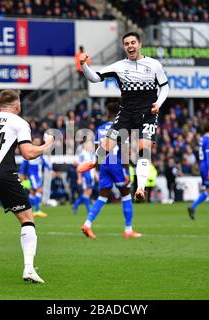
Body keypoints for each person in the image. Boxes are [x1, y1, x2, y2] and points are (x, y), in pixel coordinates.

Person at [0, 89, 54, 284]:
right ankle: (29, 269)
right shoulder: (19, 122)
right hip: (3, 174)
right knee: (27, 219)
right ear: (17, 105)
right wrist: (47, 145)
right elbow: (28, 153)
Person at [77, 31, 169, 203]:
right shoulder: (118, 66)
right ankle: (94, 161)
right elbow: (95, 78)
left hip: (148, 113)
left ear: (139, 44)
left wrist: (158, 104)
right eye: (126, 44)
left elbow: (164, 87)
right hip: (126, 112)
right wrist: (83, 65)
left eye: (133, 42)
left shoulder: (154, 64)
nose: (130, 46)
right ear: (124, 47)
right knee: (106, 145)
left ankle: (140, 188)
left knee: (144, 148)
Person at [81, 103, 141, 239]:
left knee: (102, 197)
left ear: (107, 113)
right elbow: (124, 151)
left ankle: (87, 224)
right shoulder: (121, 128)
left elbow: (97, 151)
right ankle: (128, 230)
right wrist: (126, 172)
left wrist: (96, 169)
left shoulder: (100, 129)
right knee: (126, 196)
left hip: (103, 166)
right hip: (117, 165)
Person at [187, 121, 209, 220]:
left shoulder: (203, 139)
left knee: (208, 190)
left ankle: (193, 206)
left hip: (203, 165)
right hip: (208, 166)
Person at [19, 137, 51, 218]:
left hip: (38, 175)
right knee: (39, 190)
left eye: (38, 141)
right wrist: (22, 173)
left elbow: (43, 161)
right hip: (32, 175)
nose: (37, 142)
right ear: (32, 142)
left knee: (32, 193)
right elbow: (24, 162)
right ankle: (37, 210)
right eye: (36, 141)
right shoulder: (30, 152)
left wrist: (50, 168)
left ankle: (29, 210)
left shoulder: (39, 153)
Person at [73, 138, 96, 215]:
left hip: (91, 175)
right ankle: (89, 210)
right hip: (85, 175)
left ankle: (76, 205)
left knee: (89, 193)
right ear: (84, 144)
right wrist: (79, 178)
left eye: (90, 143)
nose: (90, 145)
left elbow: (93, 165)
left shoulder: (91, 154)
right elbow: (78, 166)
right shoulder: (82, 154)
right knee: (86, 192)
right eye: (88, 143)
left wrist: (95, 174)